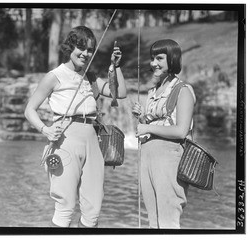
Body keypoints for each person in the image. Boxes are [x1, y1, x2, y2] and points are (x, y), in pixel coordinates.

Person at [24, 26, 127, 228]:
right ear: (70, 47)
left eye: (90, 50)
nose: (86, 54)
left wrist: (116, 66)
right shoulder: (54, 76)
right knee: (65, 206)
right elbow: (29, 110)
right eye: (81, 48)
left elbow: (120, 93)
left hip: (92, 141)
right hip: (65, 142)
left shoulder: (91, 78)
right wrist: (45, 130)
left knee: (93, 210)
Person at [132, 39, 196, 229]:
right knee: (153, 223)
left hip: (170, 161)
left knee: (168, 223)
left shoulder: (183, 90)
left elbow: (180, 131)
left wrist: (148, 128)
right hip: (147, 159)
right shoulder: (153, 91)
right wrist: (143, 118)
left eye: (159, 58)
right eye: (152, 58)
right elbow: (151, 128)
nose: (153, 63)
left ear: (173, 59)